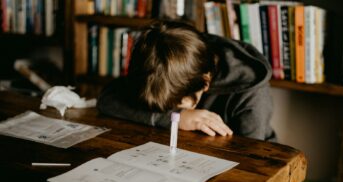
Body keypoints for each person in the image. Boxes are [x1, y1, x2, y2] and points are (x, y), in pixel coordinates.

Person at [97, 20, 276, 141]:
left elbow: (252, 160)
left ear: (205, 82)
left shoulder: (252, 94)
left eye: (177, 105)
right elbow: (106, 100)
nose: (172, 109)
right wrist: (176, 117)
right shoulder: (158, 59)